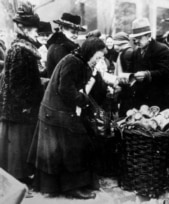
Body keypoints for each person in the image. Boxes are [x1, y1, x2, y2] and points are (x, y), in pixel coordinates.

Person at [27, 37, 107, 199]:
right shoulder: (73, 62)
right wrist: (82, 99)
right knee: (74, 146)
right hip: (56, 113)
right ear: (90, 52)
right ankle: (72, 188)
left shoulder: (78, 60)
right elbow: (65, 88)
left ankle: (59, 186)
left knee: (63, 150)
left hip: (55, 112)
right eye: (97, 57)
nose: (98, 61)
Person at [0, 2, 44, 184]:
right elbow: (17, 83)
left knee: (17, 147)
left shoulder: (20, 47)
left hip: (17, 107)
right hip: (20, 108)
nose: (36, 33)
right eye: (34, 30)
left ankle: (19, 178)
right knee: (18, 146)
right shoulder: (21, 50)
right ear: (24, 29)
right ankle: (19, 180)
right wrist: (27, 105)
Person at [127, 18, 169, 122]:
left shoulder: (162, 49)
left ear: (148, 36)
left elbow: (166, 72)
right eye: (135, 38)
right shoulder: (135, 53)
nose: (136, 41)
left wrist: (147, 74)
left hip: (162, 99)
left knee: (163, 129)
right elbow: (131, 71)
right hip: (143, 100)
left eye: (139, 37)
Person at [46, 13, 86, 77]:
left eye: (77, 33)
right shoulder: (58, 48)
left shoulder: (67, 46)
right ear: (62, 29)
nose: (76, 35)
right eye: (72, 32)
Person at [113, 31, 133, 117]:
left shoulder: (126, 53)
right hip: (127, 88)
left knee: (124, 113)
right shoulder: (127, 51)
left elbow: (127, 73)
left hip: (127, 89)